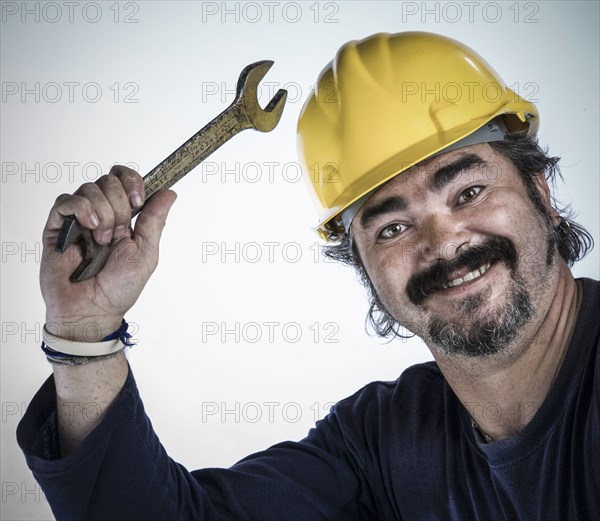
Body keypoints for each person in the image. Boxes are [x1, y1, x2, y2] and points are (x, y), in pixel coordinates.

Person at [17, 32, 598, 520]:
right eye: (391, 228)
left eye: (468, 192)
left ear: (541, 194)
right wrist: (86, 332)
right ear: (364, 267)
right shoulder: (380, 442)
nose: (443, 243)